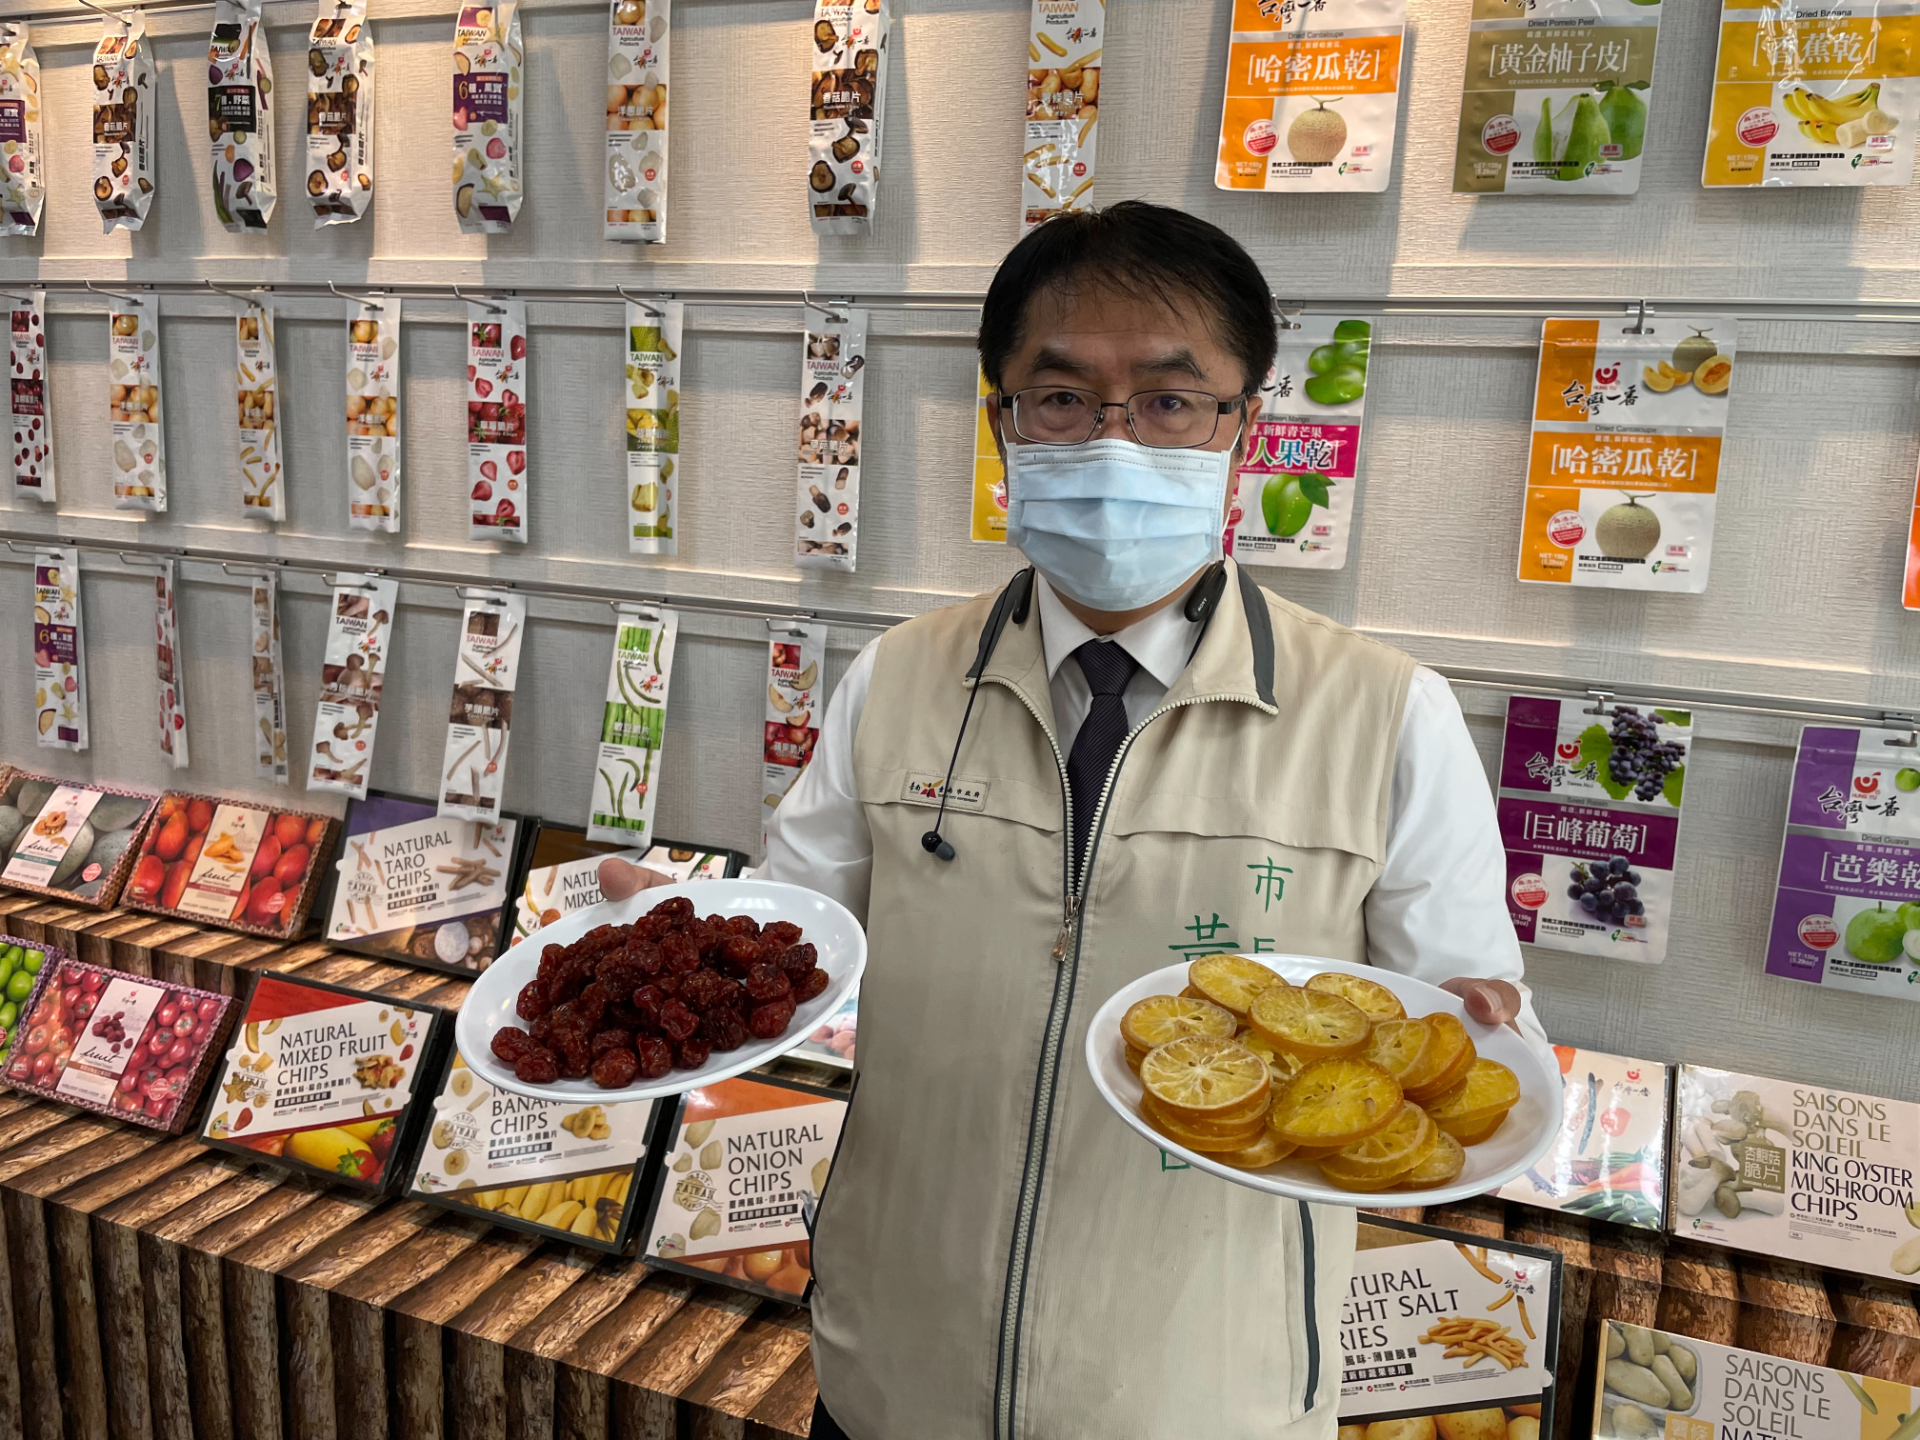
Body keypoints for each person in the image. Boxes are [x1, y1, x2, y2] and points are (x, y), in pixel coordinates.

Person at [600, 201, 1548, 1440]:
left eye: (1169, 401)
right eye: (1062, 400)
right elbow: (799, 939)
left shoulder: (1387, 713)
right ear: (1002, 420)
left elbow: (1456, 1048)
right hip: (895, 1374)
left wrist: (1477, 1024)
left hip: (1206, 1399)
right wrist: (678, 942)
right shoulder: (896, 679)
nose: (1113, 441)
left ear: (1248, 428)